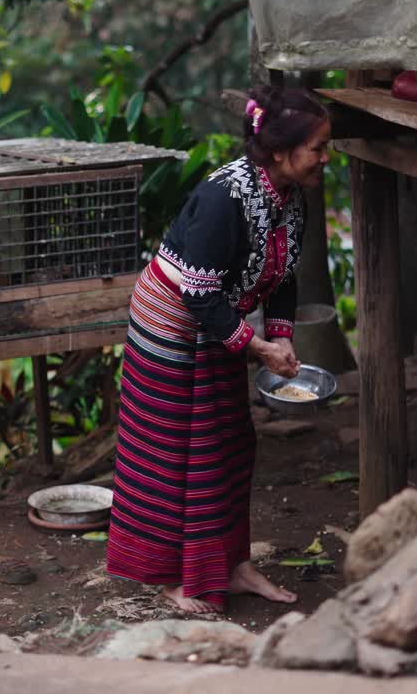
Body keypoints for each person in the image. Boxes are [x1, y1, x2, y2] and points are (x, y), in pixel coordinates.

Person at [106, 85, 331, 613]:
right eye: (319, 147)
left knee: (230, 444)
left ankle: (232, 565)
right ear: (280, 152)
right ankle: (168, 575)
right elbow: (199, 292)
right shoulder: (223, 198)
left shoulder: (292, 200)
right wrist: (256, 348)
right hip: (171, 324)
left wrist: (281, 336)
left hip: (217, 320)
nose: (327, 158)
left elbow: (283, 277)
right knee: (174, 452)